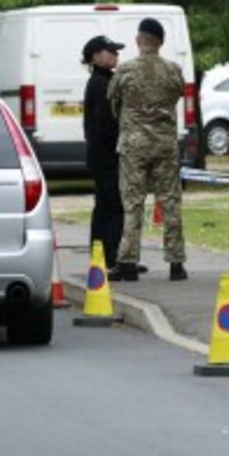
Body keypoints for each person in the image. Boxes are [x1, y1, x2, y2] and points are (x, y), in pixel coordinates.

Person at [108, 18, 187, 282]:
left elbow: (114, 104)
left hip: (134, 145)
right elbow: (177, 96)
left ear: (138, 40)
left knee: (133, 203)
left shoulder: (125, 71)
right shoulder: (174, 70)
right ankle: (176, 263)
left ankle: (128, 261)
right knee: (170, 201)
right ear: (161, 42)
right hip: (165, 144)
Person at [81, 34, 126, 277]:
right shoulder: (101, 84)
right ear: (96, 56)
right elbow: (105, 123)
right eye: (110, 51)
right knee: (114, 206)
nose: (116, 55)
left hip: (102, 154)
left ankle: (101, 256)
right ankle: (111, 258)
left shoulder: (103, 80)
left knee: (104, 205)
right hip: (107, 154)